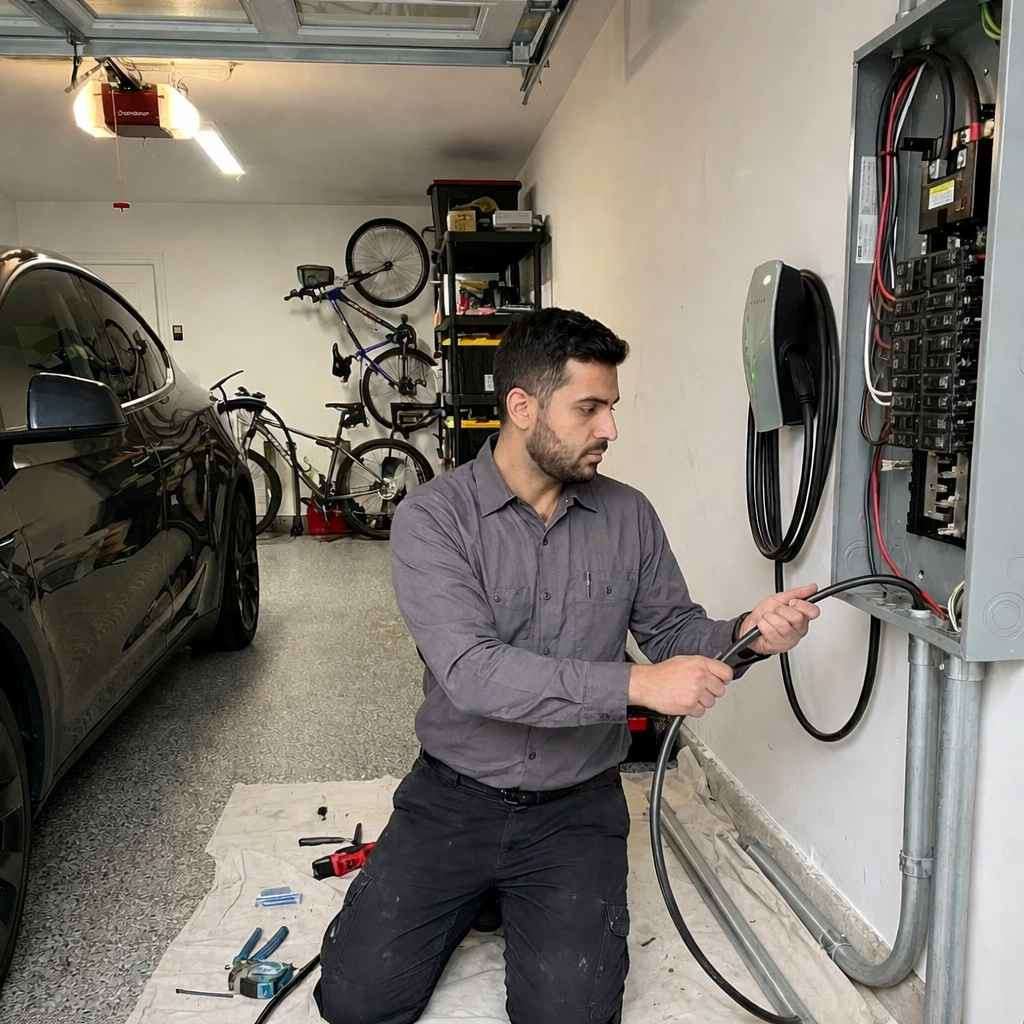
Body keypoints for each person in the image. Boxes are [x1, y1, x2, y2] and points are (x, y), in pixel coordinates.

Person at [315, 307, 820, 1024]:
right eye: (589, 408)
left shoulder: (629, 516)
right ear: (522, 407)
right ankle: (470, 895)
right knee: (355, 1004)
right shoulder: (434, 519)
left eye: (610, 408)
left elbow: (676, 631)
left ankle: (503, 898)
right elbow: (473, 671)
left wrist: (751, 635)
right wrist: (638, 684)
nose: (610, 429)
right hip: (454, 797)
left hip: (574, 806)